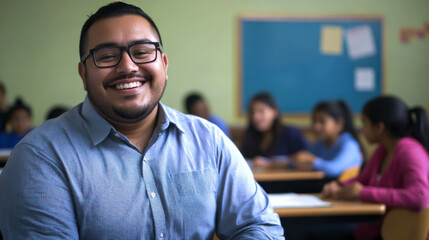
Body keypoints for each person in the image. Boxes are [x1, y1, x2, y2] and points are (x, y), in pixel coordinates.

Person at [0, 2, 283, 239]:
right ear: (83, 74)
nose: (128, 67)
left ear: (164, 64)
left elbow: (258, 225)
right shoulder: (40, 157)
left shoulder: (208, 140)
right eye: (107, 56)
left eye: (143, 52)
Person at [322, 96, 429, 240]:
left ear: (380, 127)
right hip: (375, 230)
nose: (362, 129)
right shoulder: (383, 149)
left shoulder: (410, 150)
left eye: (365, 123)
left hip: (395, 234)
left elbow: (419, 197)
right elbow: (364, 178)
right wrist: (339, 185)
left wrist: (363, 193)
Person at [290, 100, 363, 178]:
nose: (316, 126)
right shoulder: (320, 144)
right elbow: (299, 162)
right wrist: (297, 160)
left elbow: (334, 169)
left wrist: (312, 160)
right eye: (314, 121)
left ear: (339, 123)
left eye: (322, 121)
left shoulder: (349, 145)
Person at [241, 92, 308, 168]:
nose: (255, 117)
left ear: (275, 112)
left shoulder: (291, 133)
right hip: (258, 179)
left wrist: (270, 164)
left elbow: (307, 159)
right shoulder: (250, 136)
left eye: (261, 111)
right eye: (252, 112)